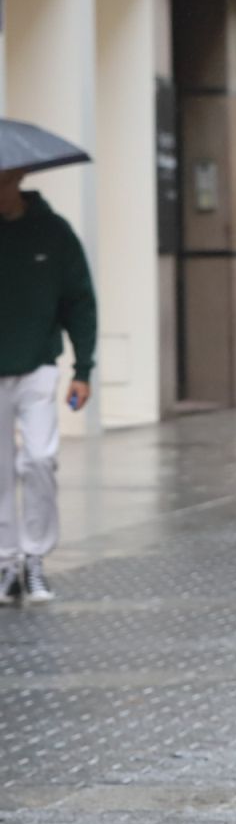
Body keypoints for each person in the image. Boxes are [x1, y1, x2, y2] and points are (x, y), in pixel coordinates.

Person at [0, 169, 96, 605]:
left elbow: (79, 299)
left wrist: (83, 369)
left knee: (40, 460)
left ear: (17, 178)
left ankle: (35, 557)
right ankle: (5, 562)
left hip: (38, 366)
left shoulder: (53, 231)